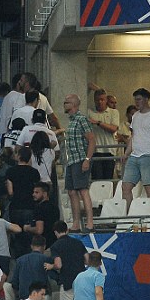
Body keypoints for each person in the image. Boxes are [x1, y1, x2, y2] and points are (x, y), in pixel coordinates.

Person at [63, 92, 97, 230]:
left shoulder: (82, 119)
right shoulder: (71, 121)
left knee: (83, 190)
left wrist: (87, 159)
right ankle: (76, 222)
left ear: (74, 104)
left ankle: (90, 222)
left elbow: (91, 139)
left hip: (80, 158)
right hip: (71, 160)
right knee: (71, 191)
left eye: (67, 102)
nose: (64, 105)